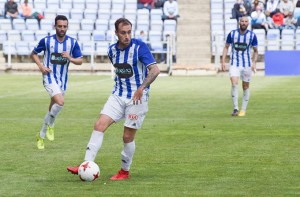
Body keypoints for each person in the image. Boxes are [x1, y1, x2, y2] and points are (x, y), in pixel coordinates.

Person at [67, 18, 160, 180]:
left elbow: (155, 70)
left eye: (129, 32)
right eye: (123, 33)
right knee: (99, 125)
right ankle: (86, 165)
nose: (127, 36)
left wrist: (141, 88)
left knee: (127, 137)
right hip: (117, 95)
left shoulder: (139, 47)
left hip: (137, 98)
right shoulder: (112, 51)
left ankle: (124, 171)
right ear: (116, 33)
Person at [31, 15, 83, 150]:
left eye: (64, 26)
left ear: (67, 27)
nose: (62, 29)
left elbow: (80, 61)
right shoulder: (47, 41)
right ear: (55, 26)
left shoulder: (72, 42)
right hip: (49, 76)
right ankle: (51, 125)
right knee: (60, 102)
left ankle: (41, 135)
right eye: (59, 26)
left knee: (53, 107)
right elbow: (34, 53)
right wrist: (41, 67)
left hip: (63, 80)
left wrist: (70, 58)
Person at [221, 16, 258, 117]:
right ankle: (235, 108)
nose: (244, 23)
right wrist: (223, 61)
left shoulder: (252, 36)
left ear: (248, 24)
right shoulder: (232, 34)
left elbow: (255, 51)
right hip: (234, 64)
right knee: (234, 83)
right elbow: (226, 47)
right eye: (242, 21)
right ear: (239, 22)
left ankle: (243, 109)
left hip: (247, 64)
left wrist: (254, 63)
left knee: (245, 86)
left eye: (246, 21)